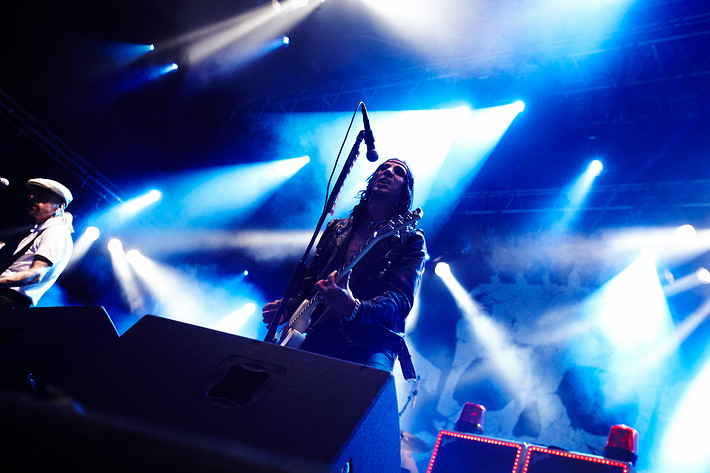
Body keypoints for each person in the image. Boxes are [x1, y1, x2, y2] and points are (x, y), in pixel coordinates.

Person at [262, 159, 426, 374]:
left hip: (372, 340)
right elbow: (309, 281)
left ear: (404, 190)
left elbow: (400, 300)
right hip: (319, 327)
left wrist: (355, 307)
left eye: (398, 172)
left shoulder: (410, 239)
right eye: (383, 168)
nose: (387, 172)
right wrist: (290, 308)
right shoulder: (337, 227)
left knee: (367, 392)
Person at [0, 178, 74, 309]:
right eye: (33, 194)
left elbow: (35, 275)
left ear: (60, 205)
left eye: (42, 195)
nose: (32, 197)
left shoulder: (55, 232)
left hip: (8, 300)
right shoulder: (39, 231)